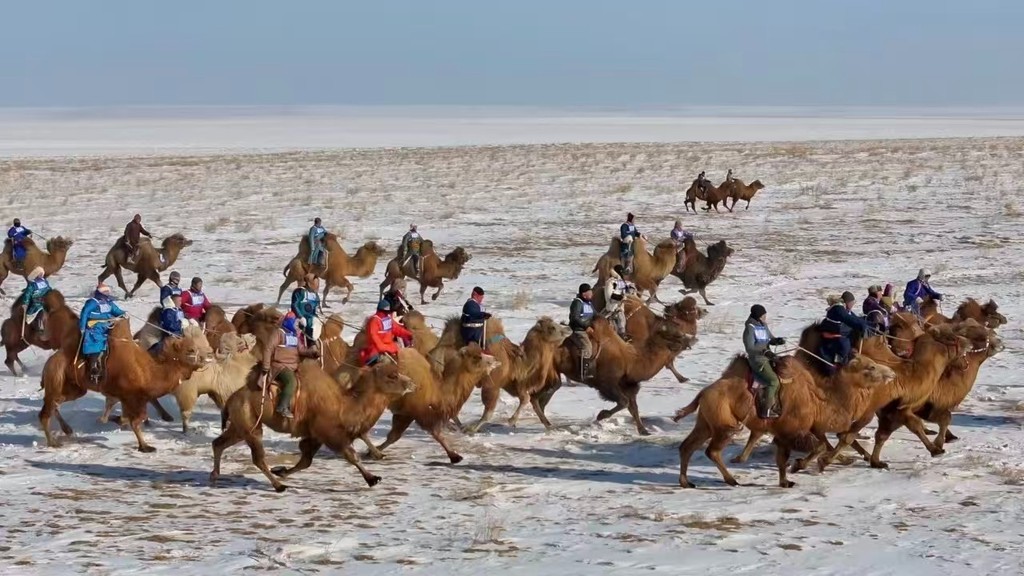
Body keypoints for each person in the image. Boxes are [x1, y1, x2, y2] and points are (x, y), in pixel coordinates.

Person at [261, 313, 319, 419]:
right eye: (294, 322)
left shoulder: (294, 335)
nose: (296, 324)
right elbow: (268, 348)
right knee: (291, 381)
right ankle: (282, 407)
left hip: (293, 366)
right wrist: (266, 366)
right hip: (280, 366)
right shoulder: (279, 333)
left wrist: (312, 353)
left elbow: (301, 350)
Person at [743, 304, 788, 419]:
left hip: (768, 357)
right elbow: (749, 347)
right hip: (758, 360)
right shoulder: (750, 328)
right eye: (763, 316)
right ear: (758, 316)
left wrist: (777, 340)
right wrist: (764, 351)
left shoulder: (763, 325)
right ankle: (766, 410)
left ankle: (775, 404)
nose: (765, 317)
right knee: (774, 381)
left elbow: (770, 339)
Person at [79, 283, 126, 386]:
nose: (107, 293)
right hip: (94, 328)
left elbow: (116, 310)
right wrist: (82, 327)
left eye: (108, 291)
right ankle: (93, 366)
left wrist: (123, 313)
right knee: (96, 345)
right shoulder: (93, 302)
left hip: (106, 327)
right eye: (105, 291)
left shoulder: (109, 302)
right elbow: (85, 313)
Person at [820, 291, 870, 369]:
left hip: (838, 331)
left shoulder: (845, 309)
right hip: (831, 333)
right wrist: (861, 326)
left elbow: (855, 319)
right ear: (847, 302)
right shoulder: (838, 309)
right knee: (845, 344)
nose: (853, 304)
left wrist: (869, 324)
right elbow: (848, 319)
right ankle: (840, 364)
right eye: (852, 302)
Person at [360, 299, 414, 366]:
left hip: (389, 347)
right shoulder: (374, 321)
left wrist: (408, 335)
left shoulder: (388, 318)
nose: (387, 313)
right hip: (376, 350)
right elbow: (374, 338)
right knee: (386, 363)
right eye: (385, 312)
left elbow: (396, 329)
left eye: (388, 312)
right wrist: (384, 348)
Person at [569, 283, 597, 382]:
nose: (592, 294)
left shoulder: (588, 303)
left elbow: (595, 315)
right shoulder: (577, 303)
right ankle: (582, 374)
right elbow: (575, 318)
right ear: (584, 294)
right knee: (587, 348)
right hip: (579, 330)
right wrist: (586, 327)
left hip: (589, 329)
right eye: (590, 292)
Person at [602, 265, 635, 340]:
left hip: (620, 306)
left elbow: (627, 289)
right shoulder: (610, 282)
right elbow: (609, 295)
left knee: (622, 319)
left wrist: (631, 288)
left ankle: (623, 334)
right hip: (612, 306)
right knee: (619, 319)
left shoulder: (621, 282)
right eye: (622, 273)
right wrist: (622, 297)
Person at [20, 266, 51, 337]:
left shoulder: (44, 282)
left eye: (41, 274)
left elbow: (49, 289)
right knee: (40, 312)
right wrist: (25, 303)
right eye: (39, 274)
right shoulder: (33, 284)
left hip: (43, 301)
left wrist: (52, 294)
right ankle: (39, 327)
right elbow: (27, 294)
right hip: (38, 302)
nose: (41, 275)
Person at [290, 273, 321, 342]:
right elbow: (294, 305)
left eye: (318, 284)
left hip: (311, 318)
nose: (317, 286)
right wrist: (300, 317)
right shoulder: (300, 291)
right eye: (316, 284)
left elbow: (317, 308)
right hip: (300, 318)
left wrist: (319, 315)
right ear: (309, 284)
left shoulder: (316, 295)